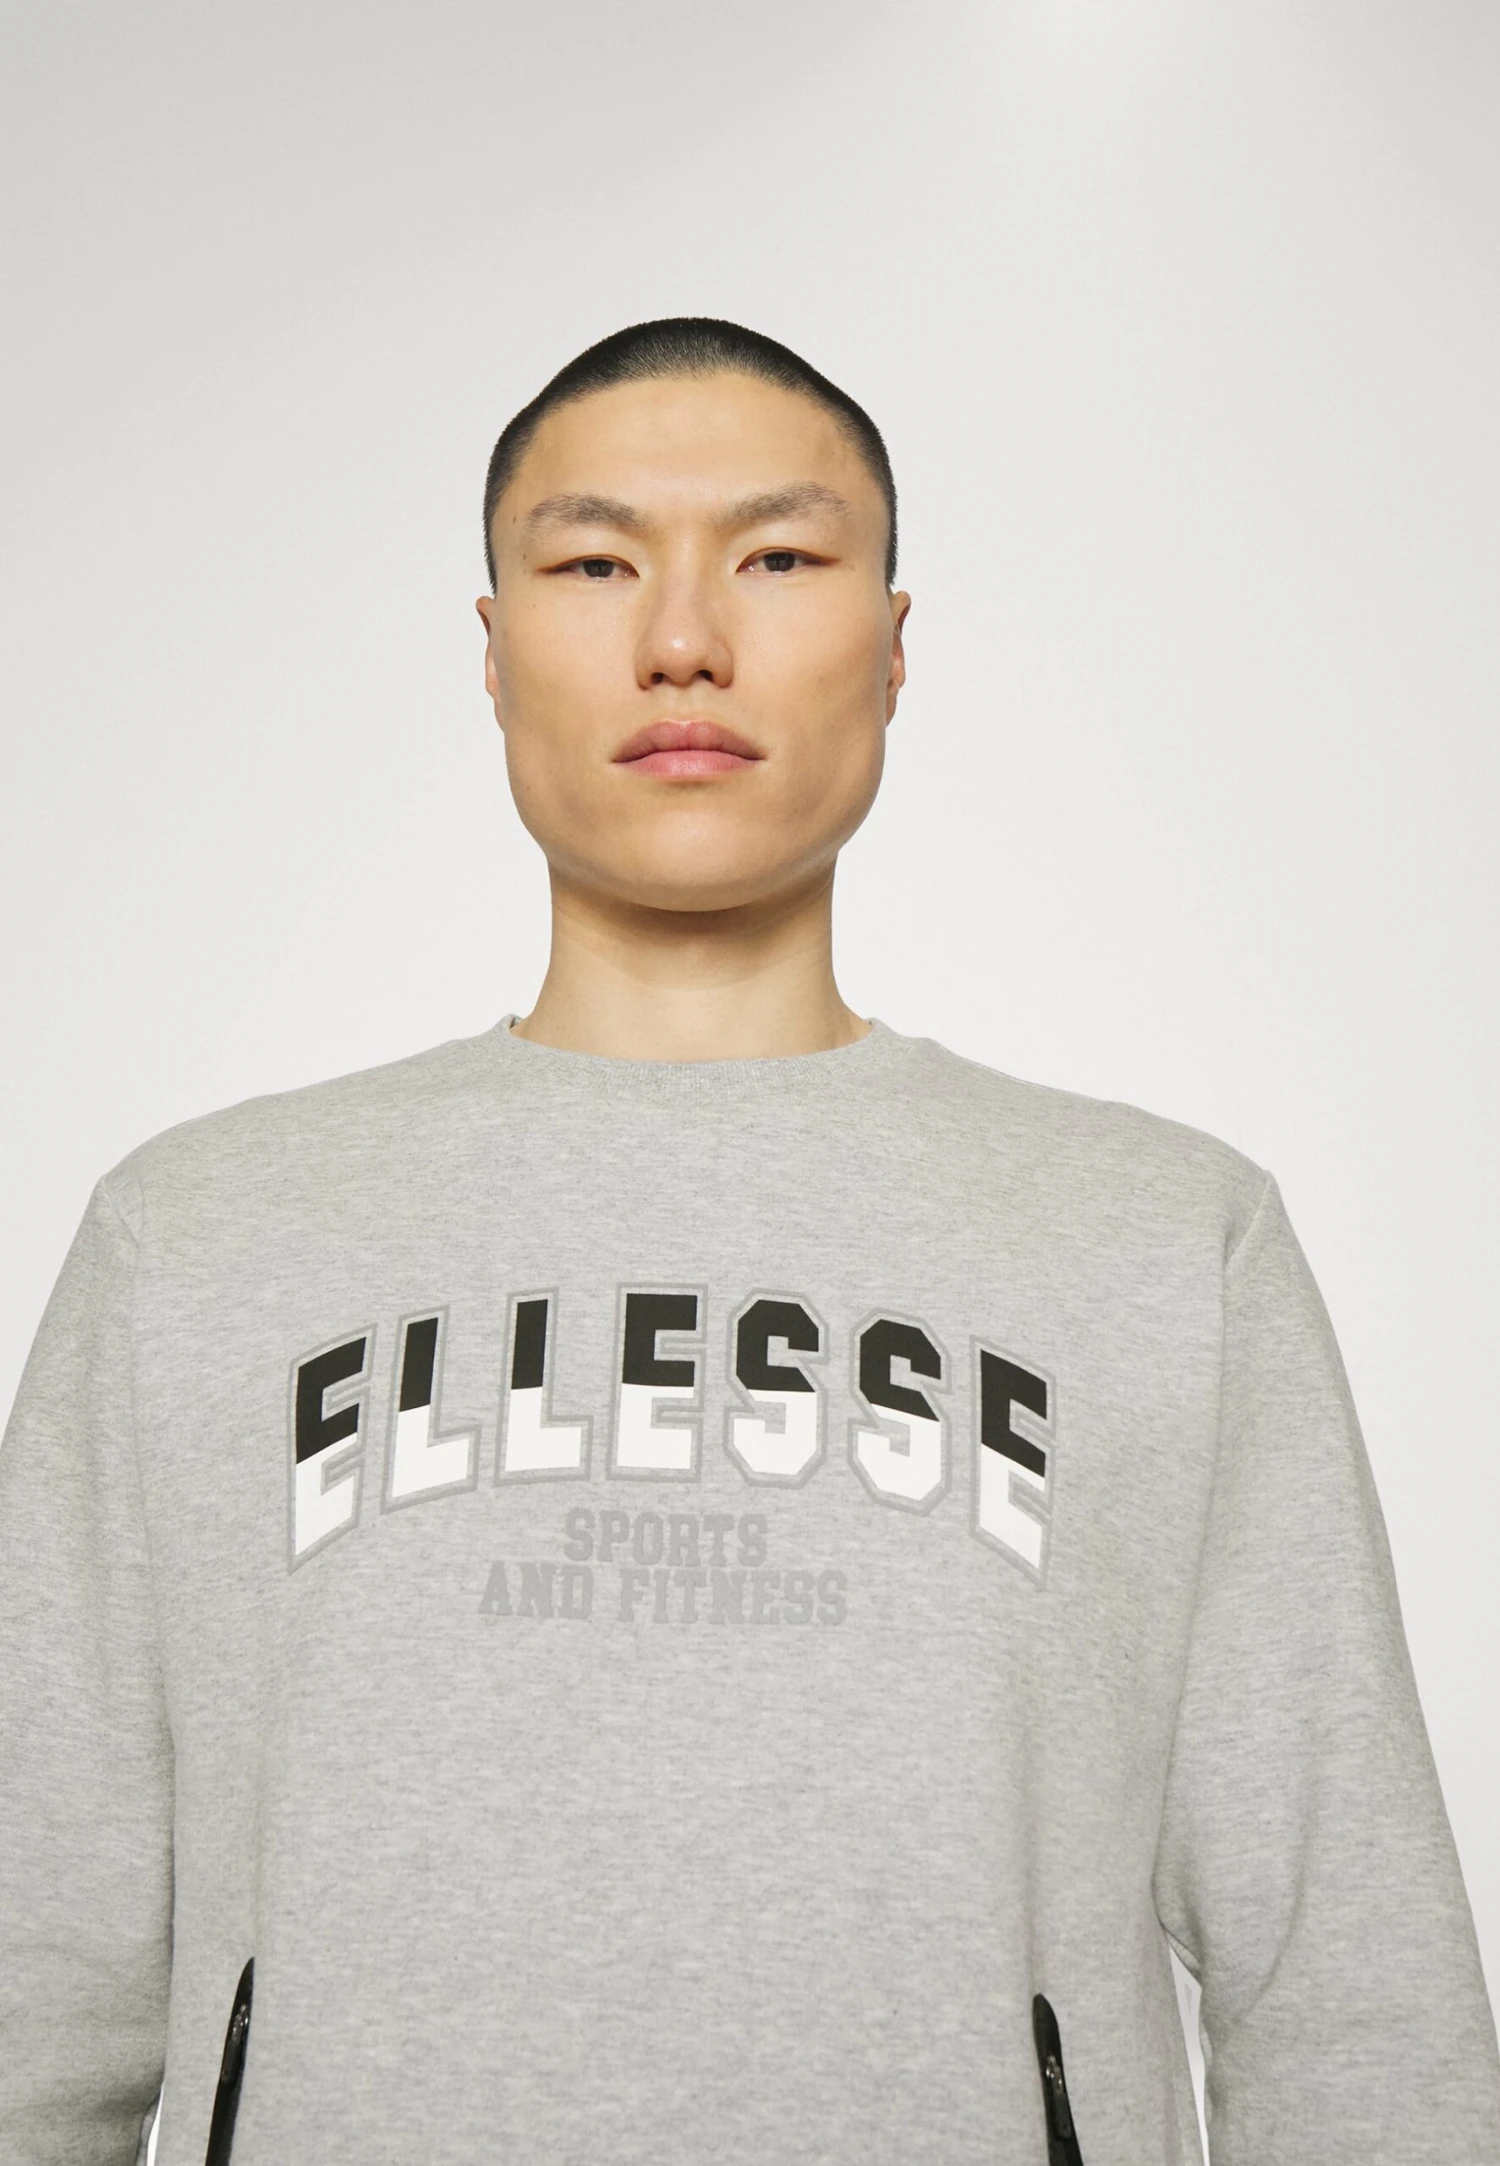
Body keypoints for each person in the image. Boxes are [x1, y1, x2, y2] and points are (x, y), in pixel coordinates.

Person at [0, 317, 1495, 2166]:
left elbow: (1351, 2005)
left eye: (779, 557)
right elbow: (31, 1987)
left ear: (894, 643)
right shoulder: (198, 1239)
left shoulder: (1166, 1243)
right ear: (493, 651)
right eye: (595, 563)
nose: (685, 637)